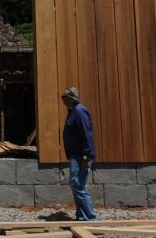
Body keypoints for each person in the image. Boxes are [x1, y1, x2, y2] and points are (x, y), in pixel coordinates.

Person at [61, 86, 97, 221]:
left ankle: (90, 218)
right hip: (75, 155)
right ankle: (82, 217)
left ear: (71, 98)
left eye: (64, 97)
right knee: (76, 185)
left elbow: (87, 134)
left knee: (78, 185)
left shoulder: (80, 111)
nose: (62, 100)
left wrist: (86, 155)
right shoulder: (73, 112)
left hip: (80, 156)